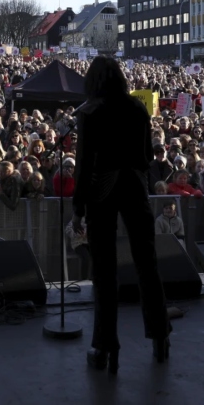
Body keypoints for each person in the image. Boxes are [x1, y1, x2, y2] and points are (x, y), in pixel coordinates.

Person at [72, 56, 170, 373]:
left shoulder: (90, 111)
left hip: (102, 189)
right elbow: (145, 155)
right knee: (147, 264)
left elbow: (84, 164)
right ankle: (160, 338)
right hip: (135, 186)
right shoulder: (139, 109)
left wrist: (78, 208)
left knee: (104, 271)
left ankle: (105, 347)